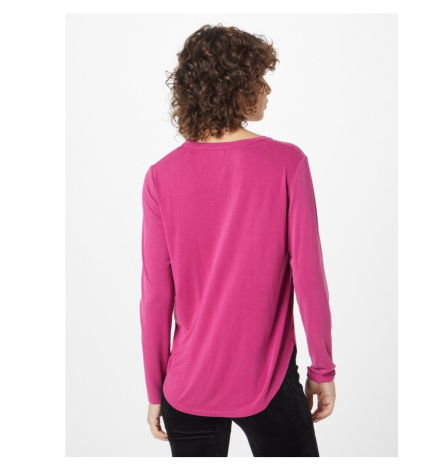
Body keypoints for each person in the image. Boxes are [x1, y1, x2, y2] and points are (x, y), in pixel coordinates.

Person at [139, 24, 337, 457]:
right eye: (259, 77)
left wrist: (156, 388)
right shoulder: (287, 162)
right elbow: (309, 277)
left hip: (187, 385)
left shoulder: (161, 175)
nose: (267, 88)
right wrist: (322, 369)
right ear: (234, 86)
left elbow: (155, 295)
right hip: (268, 379)